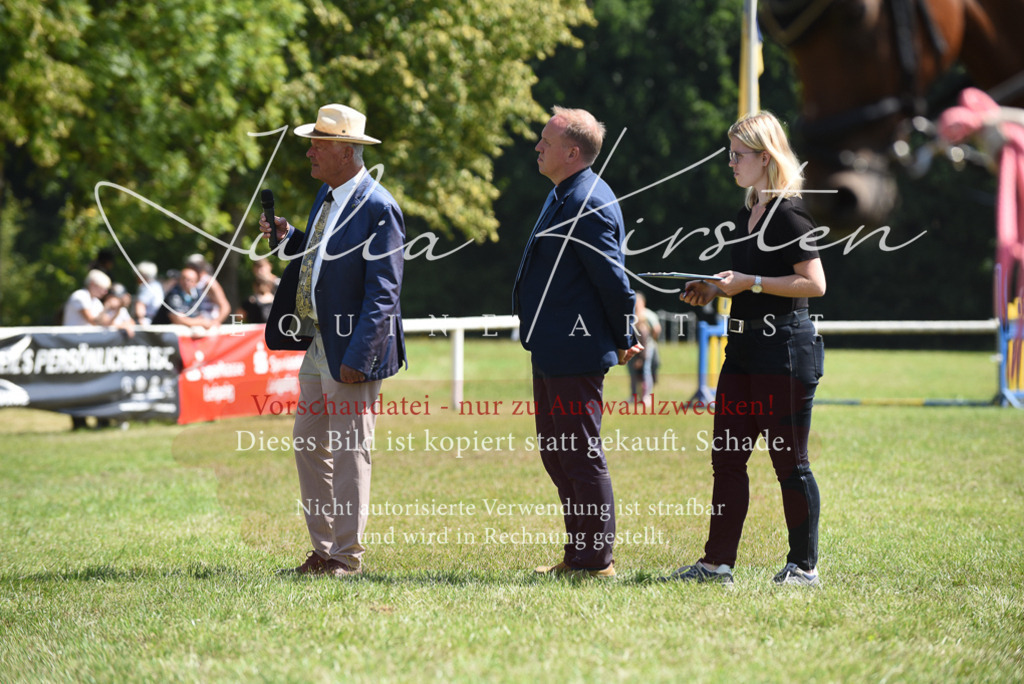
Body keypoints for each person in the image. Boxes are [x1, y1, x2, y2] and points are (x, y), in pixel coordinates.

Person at [667, 111, 826, 587]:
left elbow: (814, 284)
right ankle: (717, 565)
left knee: (789, 463)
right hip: (741, 351)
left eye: (738, 155)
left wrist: (749, 282)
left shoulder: (791, 212)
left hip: (785, 354)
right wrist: (717, 288)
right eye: (729, 154)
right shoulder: (746, 214)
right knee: (727, 458)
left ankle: (804, 568)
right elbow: (746, 283)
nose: (730, 163)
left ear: (764, 157)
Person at [261, 103, 406, 578]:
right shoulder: (328, 195)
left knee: (348, 451)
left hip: (350, 349)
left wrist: (358, 357)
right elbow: (320, 260)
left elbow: (383, 292)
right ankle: (325, 550)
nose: (309, 152)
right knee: (309, 445)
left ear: (345, 151)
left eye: (318, 143)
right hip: (320, 343)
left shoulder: (379, 207)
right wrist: (288, 237)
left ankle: (347, 557)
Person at [513, 106, 642, 579]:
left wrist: (625, 333)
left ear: (572, 151)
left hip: (575, 348)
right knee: (558, 451)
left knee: (579, 452)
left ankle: (596, 561)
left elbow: (612, 280)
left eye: (545, 140)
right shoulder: (566, 192)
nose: (537, 146)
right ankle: (579, 554)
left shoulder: (586, 199)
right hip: (552, 347)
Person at [151, 266, 216, 329]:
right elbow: (177, 319)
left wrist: (207, 322)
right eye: (183, 279)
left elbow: (200, 315)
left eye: (190, 280)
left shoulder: (197, 293)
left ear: (196, 282)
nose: (186, 282)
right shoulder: (174, 294)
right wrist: (201, 323)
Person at [628, 291, 661, 406]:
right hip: (631, 347)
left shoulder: (648, 315)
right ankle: (634, 396)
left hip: (647, 348)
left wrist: (651, 340)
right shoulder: (630, 314)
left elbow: (657, 329)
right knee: (632, 372)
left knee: (646, 371)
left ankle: (646, 396)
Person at [186, 253, 231, 324]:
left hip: (208, 322)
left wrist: (215, 322)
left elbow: (225, 307)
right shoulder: (189, 282)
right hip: (195, 321)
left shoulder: (209, 283)